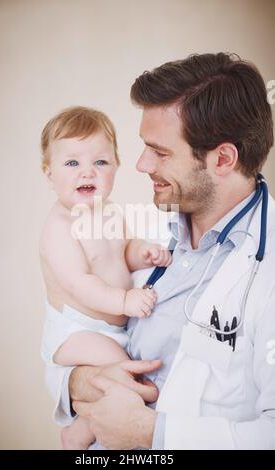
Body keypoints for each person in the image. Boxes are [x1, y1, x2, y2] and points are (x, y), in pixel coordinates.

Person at [45, 53, 275, 450]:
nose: (139, 164)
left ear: (222, 158)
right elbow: (68, 335)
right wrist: (77, 381)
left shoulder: (266, 267)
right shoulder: (147, 228)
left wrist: (155, 435)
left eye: (160, 152)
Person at [39, 106, 172, 449]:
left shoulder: (110, 210)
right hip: (78, 329)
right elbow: (80, 283)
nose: (88, 172)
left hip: (111, 327)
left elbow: (122, 249)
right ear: (48, 173)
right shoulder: (59, 228)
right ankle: (78, 434)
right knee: (123, 371)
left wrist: (143, 251)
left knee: (117, 376)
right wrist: (126, 301)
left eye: (100, 162)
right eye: (72, 163)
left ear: (116, 166)